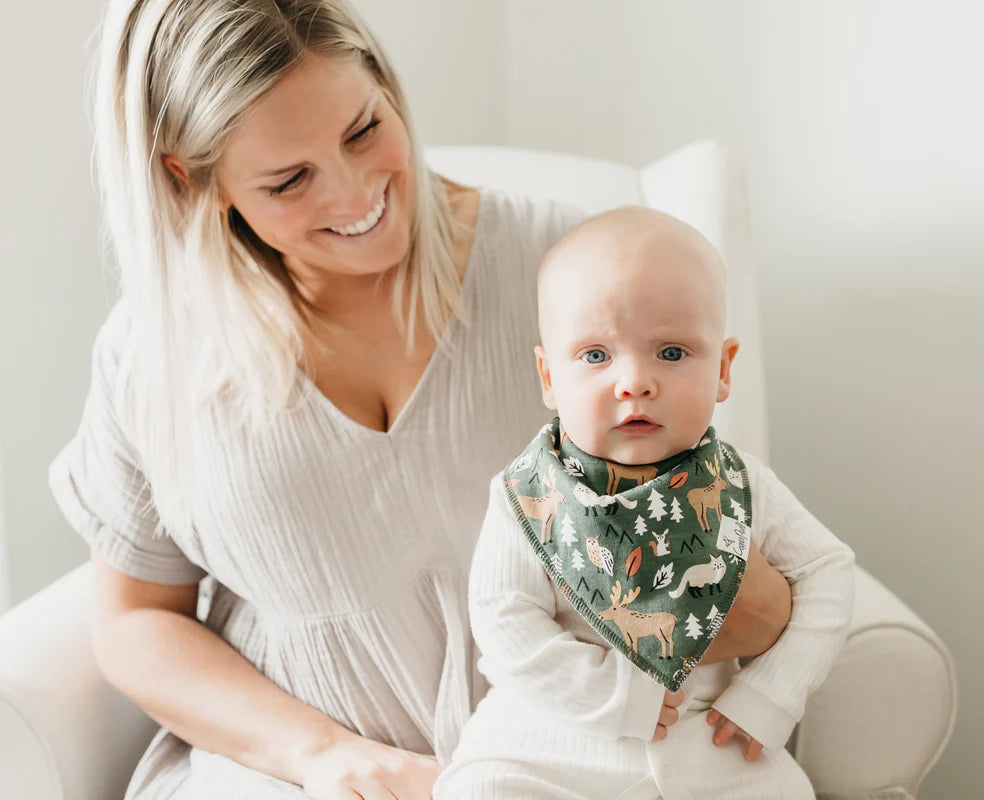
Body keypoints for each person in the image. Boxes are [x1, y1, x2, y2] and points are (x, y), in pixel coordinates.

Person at [49, 2, 796, 798]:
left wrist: (751, 609)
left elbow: (743, 552)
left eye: (364, 130)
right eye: (289, 180)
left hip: (565, 765)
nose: (353, 195)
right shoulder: (152, 353)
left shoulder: (577, 281)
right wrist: (321, 757)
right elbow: (134, 622)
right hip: (282, 777)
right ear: (191, 178)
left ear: (384, 84)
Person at [434, 208, 856, 799]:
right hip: (548, 744)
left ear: (723, 369)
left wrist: (770, 694)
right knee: (480, 789)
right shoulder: (526, 494)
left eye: (673, 353)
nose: (634, 381)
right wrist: (614, 697)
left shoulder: (738, 482)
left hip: (707, 740)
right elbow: (504, 621)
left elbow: (826, 573)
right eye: (596, 355)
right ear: (549, 377)